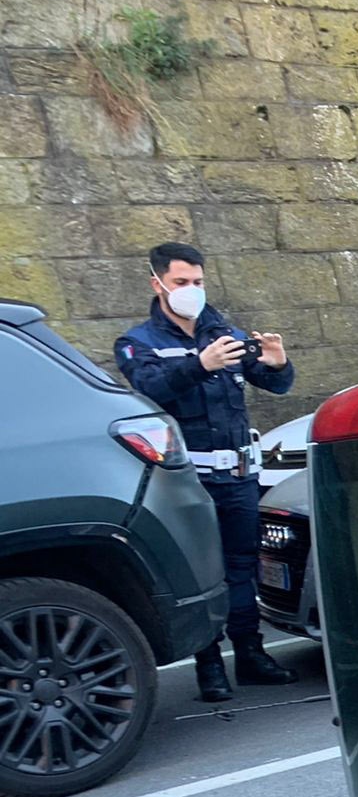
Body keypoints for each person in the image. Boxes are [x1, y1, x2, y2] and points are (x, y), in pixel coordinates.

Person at [117, 242, 297, 701]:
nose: (191, 290)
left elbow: (273, 383)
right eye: (181, 283)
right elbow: (150, 389)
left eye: (197, 282)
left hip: (237, 475)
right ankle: (210, 665)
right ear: (157, 283)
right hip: (187, 481)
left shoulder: (224, 333)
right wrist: (200, 365)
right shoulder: (139, 343)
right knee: (202, 573)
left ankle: (251, 653)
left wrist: (278, 363)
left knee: (242, 566)